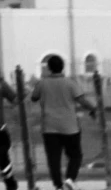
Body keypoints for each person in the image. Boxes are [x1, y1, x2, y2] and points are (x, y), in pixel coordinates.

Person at [29, 53, 98, 190]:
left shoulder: (42, 83)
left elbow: (34, 97)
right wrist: (92, 109)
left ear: (48, 68)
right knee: (75, 155)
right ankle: (70, 179)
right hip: (70, 127)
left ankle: (58, 185)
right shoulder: (70, 83)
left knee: (53, 159)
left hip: (49, 127)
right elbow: (82, 100)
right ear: (63, 68)